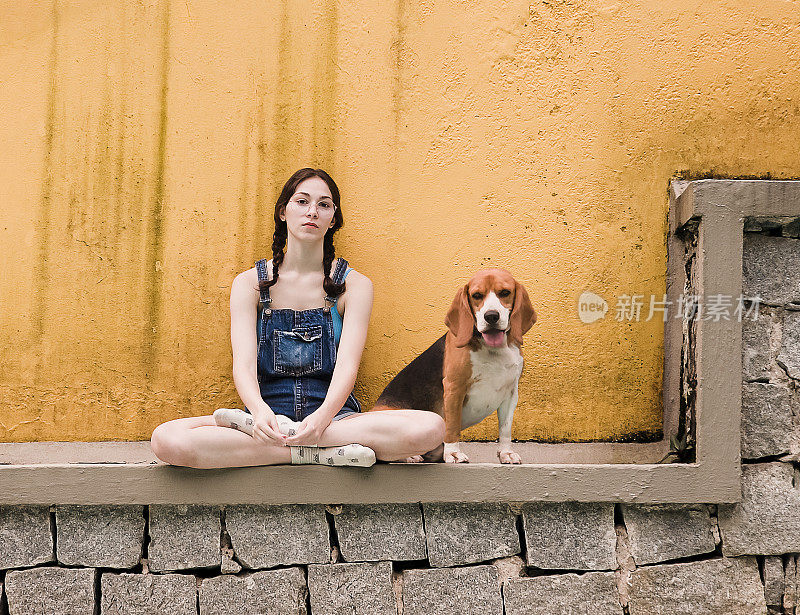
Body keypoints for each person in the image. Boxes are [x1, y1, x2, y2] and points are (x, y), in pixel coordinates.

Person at [150, 168, 445, 468]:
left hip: (335, 421)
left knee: (431, 428)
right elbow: (244, 367)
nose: (312, 212)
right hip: (264, 421)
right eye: (302, 201)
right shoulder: (248, 284)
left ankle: (303, 445)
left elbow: (347, 369)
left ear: (333, 219)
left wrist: (319, 422)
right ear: (283, 212)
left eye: (324, 204)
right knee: (167, 439)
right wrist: (260, 412)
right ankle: (323, 454)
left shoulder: (355, 286)